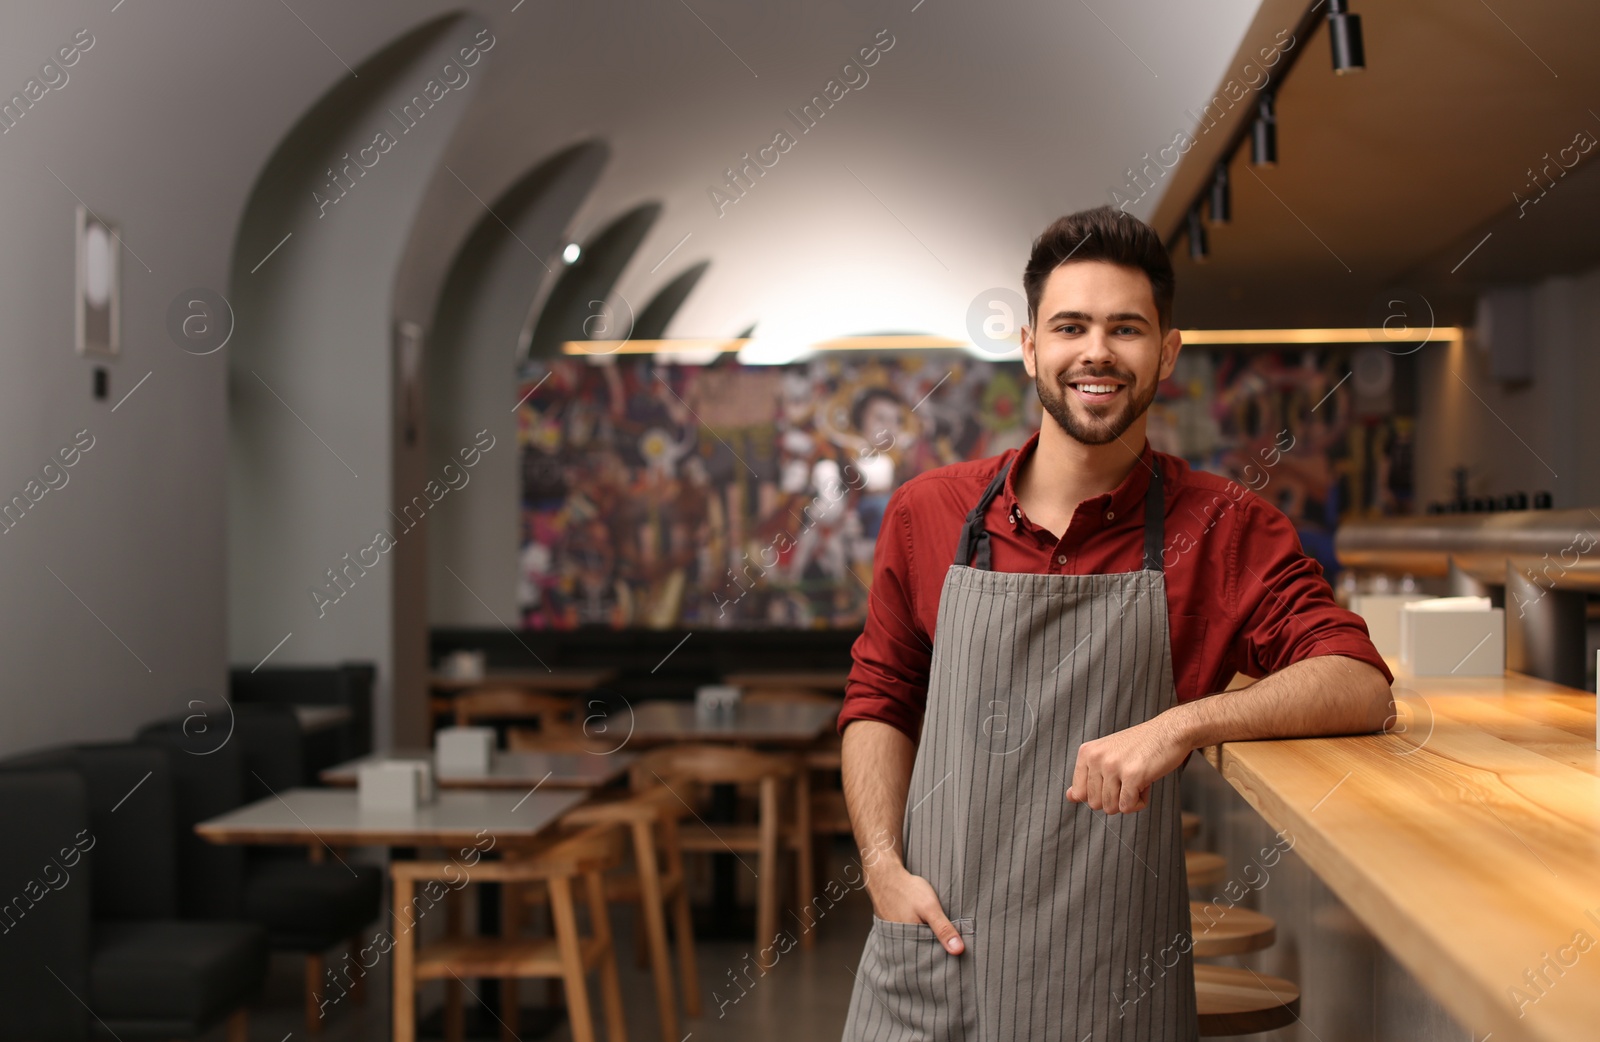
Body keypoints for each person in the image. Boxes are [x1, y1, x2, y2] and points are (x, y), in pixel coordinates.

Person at [837, 206, 1394, 1042]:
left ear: (1166, 351)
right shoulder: (931, 512)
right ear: (1030, 345)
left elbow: (1359, 684)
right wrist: (880, 865)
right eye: (1071, 326)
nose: (1096, 351)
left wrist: (1185, 724)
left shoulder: (1222, 527)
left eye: (1125, 328)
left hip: (1108, 988)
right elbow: (880, 698)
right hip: (927, 964)